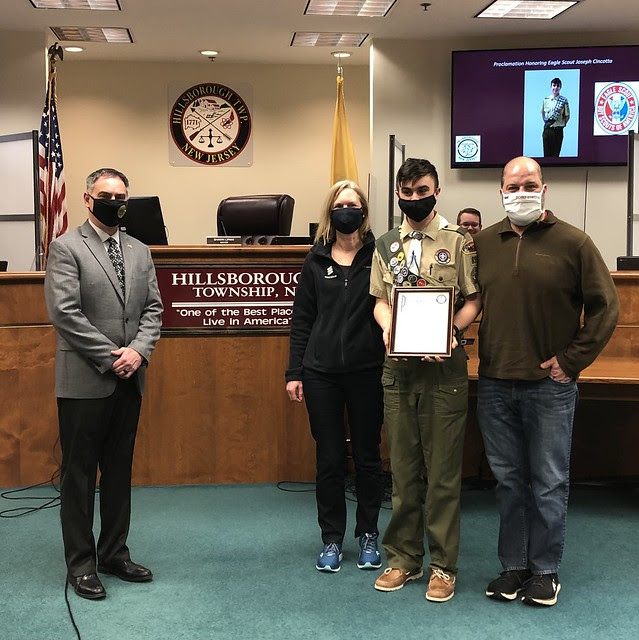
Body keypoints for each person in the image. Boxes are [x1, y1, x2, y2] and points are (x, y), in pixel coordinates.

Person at [474, 156, 619, 607]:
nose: (521, 192)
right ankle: (514, 566)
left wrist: (573, 360)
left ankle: (545, 571)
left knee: (549, 481)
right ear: (500, 191)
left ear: (544, 188)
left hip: (549, 387)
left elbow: (606, 307)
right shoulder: (482, 243)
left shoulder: (574, 243)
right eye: (512, 185)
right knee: (508, 480)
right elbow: (463, 301)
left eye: (529, 184)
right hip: (495, 383)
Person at [44, 168, 163, 600]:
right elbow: (65, 314)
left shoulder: (139, 250)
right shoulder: (66, 247)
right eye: (106, 195)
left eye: (121, 196)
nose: (114, 201)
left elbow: (153, 309)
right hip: (86, 379)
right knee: (78, 475)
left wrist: (139, 351)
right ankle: (81, 564)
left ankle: (114, 552)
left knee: (118, 472)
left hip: (131, 378)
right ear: (88, 199)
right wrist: (113, 356)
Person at [369, 158, 481, 602]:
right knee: (402, 470)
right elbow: (379, 300)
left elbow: (474, 300)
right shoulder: (385, 244)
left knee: (443, 475)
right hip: (398, 371)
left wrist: (451, 331)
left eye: (423, 190)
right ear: (398, 193)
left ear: (437, 191)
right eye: (408, 191)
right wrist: (387, 328)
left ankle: (443, 566)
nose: (415, 198)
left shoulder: (458, 243)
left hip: (444, 372)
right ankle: (403, 558)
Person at [285, 180, 385, 573]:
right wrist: (295, 372)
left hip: (367, 371)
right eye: (341, 205)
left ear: (364, 211)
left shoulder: (379, 257)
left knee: (368, 456)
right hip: (321, 373)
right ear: (331, 211)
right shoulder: (315, 260)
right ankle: (331, 539)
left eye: (354, 205)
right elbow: (302, 321)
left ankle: (368, 534)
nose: (348, 211)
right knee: (328, 458)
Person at [541, 77, 570, 157]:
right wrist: (549, 124)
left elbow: (567, 116)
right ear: (551, 86)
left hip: (558, 131)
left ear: (560, 87)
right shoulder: (546, 100)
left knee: (556, 155)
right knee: (546, 156)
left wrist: (560, 125)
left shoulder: (563, 100)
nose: (555, 88)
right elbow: (543, 114)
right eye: (554, 85)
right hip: (548, 130)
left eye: (558, 86)